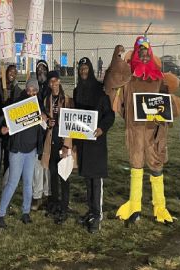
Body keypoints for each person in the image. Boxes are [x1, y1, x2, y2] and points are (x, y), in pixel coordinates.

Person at [114, 37, 174, 225]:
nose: (144, 54)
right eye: (141, 51)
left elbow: (166, 106)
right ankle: (135, 207)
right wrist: (131, 120)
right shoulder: (129, 78)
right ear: (136, 53)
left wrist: (160, 125)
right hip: (135, 130)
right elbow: (121, 104)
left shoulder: (159, 79)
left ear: (151, 53)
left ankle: (160, 207)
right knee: (136, 164)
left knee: (156, 166)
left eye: (147, 51)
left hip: (153, 131)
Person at [0, 78, 44, 228]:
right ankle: (0, 214)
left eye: (34, 90)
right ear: (26, 89)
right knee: (12, 183)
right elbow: (5, 124)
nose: (31, 92)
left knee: (28, 183)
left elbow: (42, 127)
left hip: (31, 150)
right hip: (17, 151)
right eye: (29, 89)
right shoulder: (17, 104)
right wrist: (5, 129)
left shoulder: (39, 105)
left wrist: (44, 120)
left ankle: (26, 212)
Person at [74, 57, 115, 233]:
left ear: (90, 70)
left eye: (86, 68)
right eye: (81, 69)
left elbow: (110, 115)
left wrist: (101, 129)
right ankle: (91, 211)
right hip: (83, 142)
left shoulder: (100, 91)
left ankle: (97, 216)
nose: (83, 71)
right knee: (87, 178)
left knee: (96, 179)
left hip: (96, 143)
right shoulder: (77, 91)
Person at [40, 71, 73, 224]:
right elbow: (43, 115)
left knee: (64, 176)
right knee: (53, 174)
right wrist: (48, 121)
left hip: (63, 142)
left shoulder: (66, 100)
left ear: (59, 81)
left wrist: (67, 145)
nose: (53, 83)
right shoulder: (47, 99)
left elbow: (71, 124)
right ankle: (54, 203)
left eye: (55, 80)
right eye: (51, 81)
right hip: (51, 141)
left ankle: (64, 207)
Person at [0, 64, 23, 212]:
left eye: (15, 72)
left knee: (8, 168)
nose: (13, 74)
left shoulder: (18, 91)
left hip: (10, 136)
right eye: (10, 71)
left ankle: (4, 199)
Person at [31, 60, 51, 211]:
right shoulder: (32, 89)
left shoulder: (51, 90)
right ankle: (36, 195)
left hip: (48, 132)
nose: (41, 71)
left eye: (44, 69)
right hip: (36, 133)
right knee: (37, 165)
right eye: (39, 69)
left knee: (47, 164)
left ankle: (47, 194)